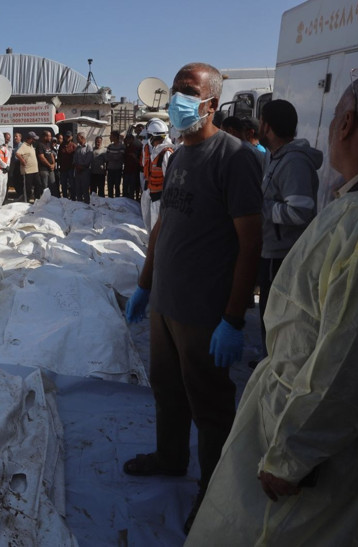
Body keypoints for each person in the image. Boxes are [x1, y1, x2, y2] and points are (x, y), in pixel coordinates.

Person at [188, 67, 358, 546]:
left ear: (346, 122)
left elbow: (354, 358)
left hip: (313, 439)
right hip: (309, 418)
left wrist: (291, 457)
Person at [123, 62, 263, 534]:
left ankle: (213, 489)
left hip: (204, 311)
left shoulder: (234, 157)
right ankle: (170, 456)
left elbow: (250, 244)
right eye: (175, 90)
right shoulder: (179, 154)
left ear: (211, 104)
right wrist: (145, 284)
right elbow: (164, 226)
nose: (177, 99)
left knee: (211, 406)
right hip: (166, 301)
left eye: (187, 91)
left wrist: (233, 318)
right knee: (166, 387)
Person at [254, 99, 321, 359]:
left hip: (282, 256)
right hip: (272, 252)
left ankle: (273, 366)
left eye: (261, 122)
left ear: (267, 126)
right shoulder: (277, 158)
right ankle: (268, 362)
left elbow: (299, 212)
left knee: (276, 320)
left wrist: (262, 205)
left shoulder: (293, 162)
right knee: (268, 318)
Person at [141, 119, 174, 233]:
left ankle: (156, 248)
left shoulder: (166, 153)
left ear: (155, 137)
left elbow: (169, 178)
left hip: (160, 196)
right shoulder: (157, 151)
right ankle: (151, 243)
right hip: (152, 191)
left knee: (157, 226)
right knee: (149, 220)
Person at [14, 131, 40, 203]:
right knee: (27, 188)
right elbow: (17, 153)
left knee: (38, 185)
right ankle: (26, 201)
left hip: (35, 170)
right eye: (33, 139)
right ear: (30, 138)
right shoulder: (24, 145)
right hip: (28, 171)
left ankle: (37, 200)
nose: (35, 140)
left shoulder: (30, 145)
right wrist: (22, 160)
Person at [72, 132, 92, 203]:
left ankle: (86, 204)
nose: (76, 139)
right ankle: (79, 206)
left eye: (78, 138)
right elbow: (74, 160)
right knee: (78, 189)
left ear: (82, 138)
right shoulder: (77, 148)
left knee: (85, 189)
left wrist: (82, 167)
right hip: (77, 172)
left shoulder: (89, 148)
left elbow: (88, 161)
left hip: (85, 172)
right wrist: (77, 167)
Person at [36, 130, 56, 199]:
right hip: (43, 169)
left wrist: (53, 164)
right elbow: (41, 157)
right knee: (45, 186)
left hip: (51, 169)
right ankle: (44, 201)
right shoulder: (40, 145)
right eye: (49, 136)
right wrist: (49, 165)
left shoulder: (48, 144)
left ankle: (52, 201)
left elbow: (51, 154)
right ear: (45, 137)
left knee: (52, 185)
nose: (50, 137)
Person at [105, 131, 125, 198]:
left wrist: (112, 156)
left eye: (111, 136)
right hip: (110, 169)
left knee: (117, 186)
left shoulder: (121, 146)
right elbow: (107, 157)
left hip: (117, 170)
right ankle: (110, 201)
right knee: (110, 186)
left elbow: (119, 157)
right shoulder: (110, 146)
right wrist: (113, 157)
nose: (110, 137)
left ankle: (117, 201)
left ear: (115, 137)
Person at [122, 133, 141, 200]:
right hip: (126, 170)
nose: (128, 141)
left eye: (129, 139)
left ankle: (131, 202)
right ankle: (124, 201)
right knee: (125, 187)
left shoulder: (137, 147)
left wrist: (134, 157)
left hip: (134, 171)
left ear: (132, 139)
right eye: (127, 139)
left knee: (132, 188)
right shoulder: (126, 148)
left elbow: (139, 161)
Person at [57, 131, 76, 199]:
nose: (67, 138)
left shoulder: (74, 146)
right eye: (66, 136)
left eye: (69, 136)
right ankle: (65, 198)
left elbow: (76, 157)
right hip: (63, 169)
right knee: (63, 184)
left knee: (72, 184)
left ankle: (73, 197)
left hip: (71, 168)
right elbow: (59, 156)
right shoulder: (61, 145)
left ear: (71, 137)